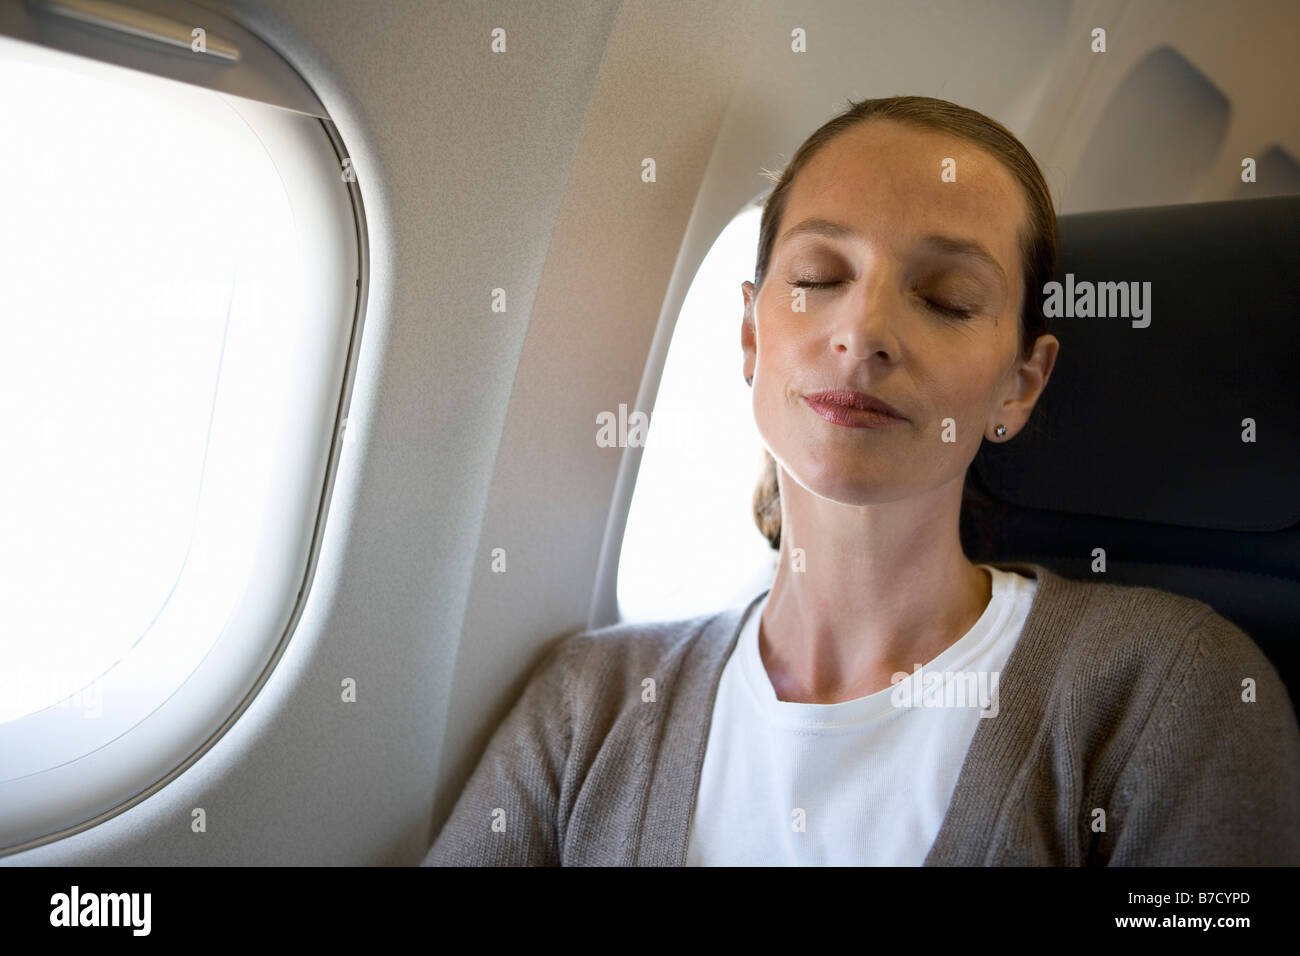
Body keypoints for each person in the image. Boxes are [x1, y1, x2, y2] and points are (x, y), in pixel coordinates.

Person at [423, 95, 1300, 866]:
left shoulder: (1169, 691)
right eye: (817, 278)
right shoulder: (591, 702)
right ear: (750, 336)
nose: (862, 330)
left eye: (949, 299)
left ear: (1019, 385)